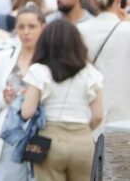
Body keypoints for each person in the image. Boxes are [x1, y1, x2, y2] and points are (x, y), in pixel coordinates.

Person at [20, 20, 104, 181]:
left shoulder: (39, 71)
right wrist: (83, 129)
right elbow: (98, 115)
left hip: (50, 140)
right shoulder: (90, 72)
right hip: (83, 141)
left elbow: (27, 111)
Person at [0, 3, 45, 181]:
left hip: (39, 135)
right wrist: (4, 97)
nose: (26, 32)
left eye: (32, 27)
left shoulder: (49, 59)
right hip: (9, 135)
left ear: (43, 28)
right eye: (21, 27)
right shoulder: (6, 57)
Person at [77, 0, 130, 125]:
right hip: (124, 115)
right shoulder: (127, 30)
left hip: (90, 113)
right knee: (118, 149)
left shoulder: (80, 31)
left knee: (94, 148)